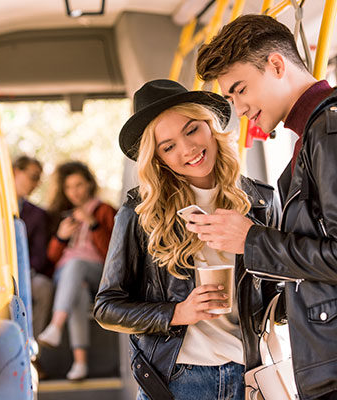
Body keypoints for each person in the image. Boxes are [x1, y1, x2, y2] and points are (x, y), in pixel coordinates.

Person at [94, 79, 281, 400]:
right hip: (179, 379)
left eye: (192, 130)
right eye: (168, 146)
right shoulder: (141, 210)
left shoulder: (260, 201)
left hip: (250, 374)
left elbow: (277, 294)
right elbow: (106, 307)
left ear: (211, 127)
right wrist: (178, 313)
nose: (187, 149)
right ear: (158, 158)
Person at [191, 14, 337, 400]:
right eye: (230, 98)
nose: (239, 109)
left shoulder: (328, 132)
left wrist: (252, 240)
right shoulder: (312, 136)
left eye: (240, 90)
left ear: (276, 65)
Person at [37, 161, 117, 380]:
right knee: (77, 292)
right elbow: (52, 258)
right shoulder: (61, 215)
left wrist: (93, 224)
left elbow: (112, 253)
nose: (74, 192)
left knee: (77, 264)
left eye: (79, 185)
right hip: (67, 278)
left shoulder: (105, 210)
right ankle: (80, 363)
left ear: (90, 185)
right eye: (69, 187)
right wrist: (61, 237)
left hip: (97, 271)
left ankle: (56, 325)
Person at [13, 155, 53, 337]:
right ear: (15, 172)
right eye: (33, 176)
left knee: (43, 287)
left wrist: (22, 272)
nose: (36, 184)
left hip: (24, 274)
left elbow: (39, 255)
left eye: (39, 179)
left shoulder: (38, 215)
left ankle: (31, 345)